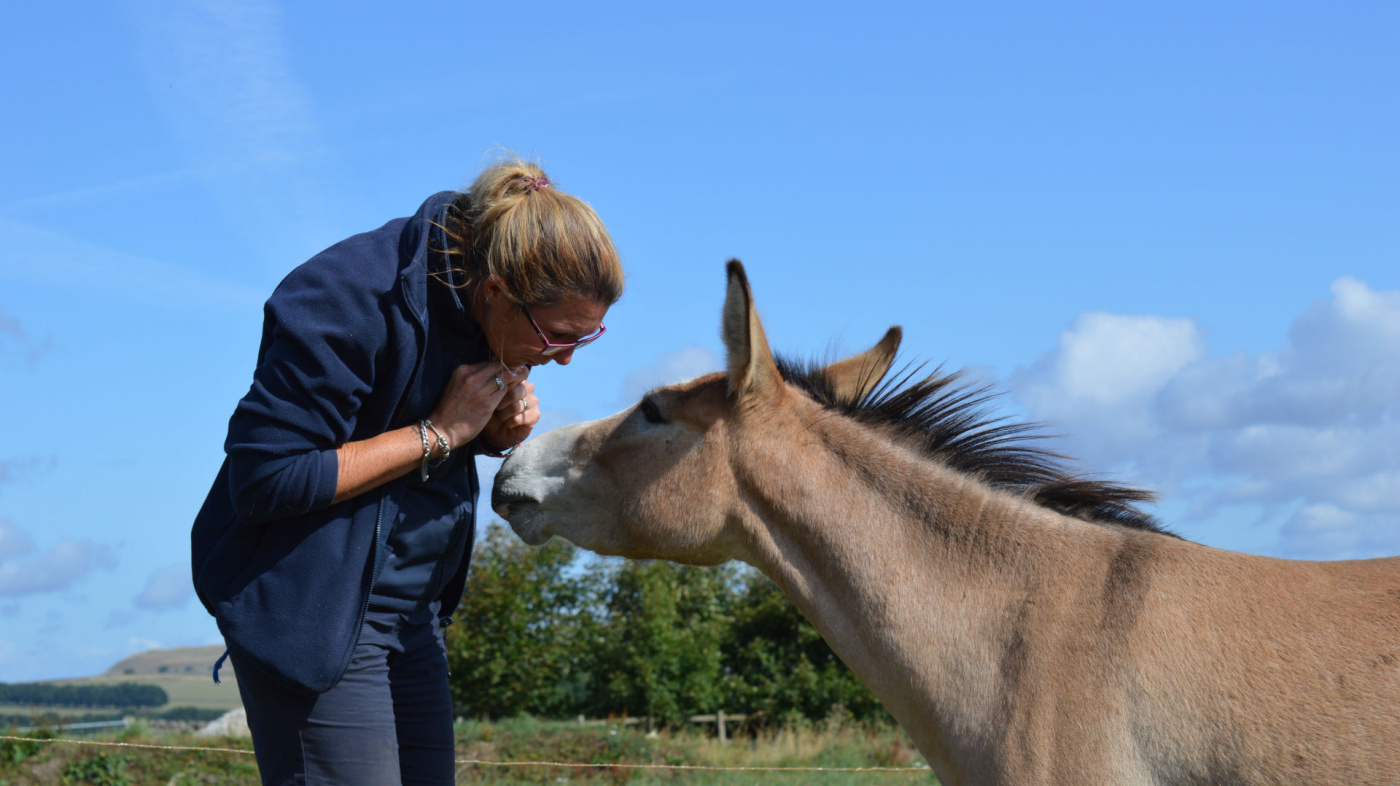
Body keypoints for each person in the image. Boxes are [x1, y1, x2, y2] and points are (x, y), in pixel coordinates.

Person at [190, 157, 623, 785]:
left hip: (414, 615)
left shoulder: (484, 307)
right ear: (497, 291)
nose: (560, 363)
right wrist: (441, 432)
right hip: (316, 618)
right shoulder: (344, 297)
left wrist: (484, 436)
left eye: (585, 340)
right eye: (556, 337)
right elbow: (265, 479)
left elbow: (399, 442)